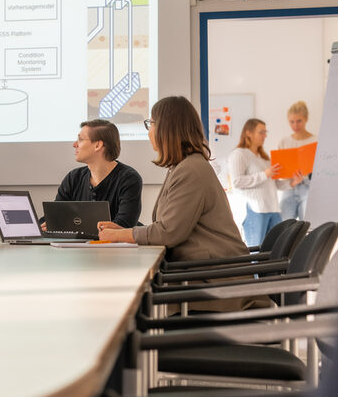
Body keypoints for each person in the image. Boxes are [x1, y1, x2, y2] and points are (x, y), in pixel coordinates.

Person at [97, 96, 263, 312]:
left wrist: (120, 236)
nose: (149, 131)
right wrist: (126, 231)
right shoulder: (184, 166)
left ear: (167, 128)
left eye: (150, 124)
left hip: (212, 286)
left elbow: (169, 232)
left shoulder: (190, 170)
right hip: (201, 277)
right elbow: (170, 226)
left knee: (127, 310)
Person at [41, 119, 142, 230]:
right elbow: (55, 217)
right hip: (77, 246)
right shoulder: (73, 177)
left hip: (113, 247)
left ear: (98, 145)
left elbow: (123, 225)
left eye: (80, 139)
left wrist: (66, 226)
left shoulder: (129, 178)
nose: (74, 144)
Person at [228, 118, 282, 247]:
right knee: (257, 253)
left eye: (265, 132)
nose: (265, 136)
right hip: (255, 210)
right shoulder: (239, 154)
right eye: (261, 132)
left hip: (273, 209)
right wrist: (264, 174)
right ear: (248, 133)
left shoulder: (264, 158)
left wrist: (292, 182)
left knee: (277, 251)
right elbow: (236, 181)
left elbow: (274, 184)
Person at [277, 100, 316, 220]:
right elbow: (280, 171)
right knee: (285, 227)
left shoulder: (315, 141)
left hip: (308, 187)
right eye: (291, 122)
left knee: (309, 225)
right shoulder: (284, 142)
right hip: (289, 187)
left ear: (306, 119)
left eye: (299, 121)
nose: (295, 125)